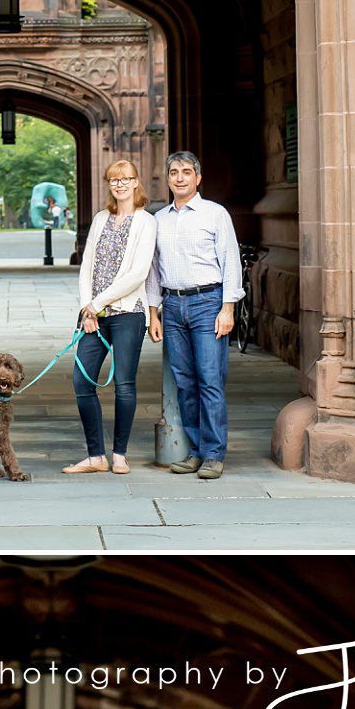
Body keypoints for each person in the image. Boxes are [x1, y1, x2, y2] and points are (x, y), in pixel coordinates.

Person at [145, 151, 243, 481]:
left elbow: (231, 263)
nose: (180, 178)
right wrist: (153, 313)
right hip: (172, 306)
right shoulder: (159, 220)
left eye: (187, 172)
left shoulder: (215, 215)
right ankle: (196, 450)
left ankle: (214, 453)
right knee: (185, 383)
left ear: (198, 178)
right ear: (168, 177)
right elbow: (154, 271)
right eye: (174, 172)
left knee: (210, 380)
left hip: (208, 303)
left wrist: (227, 308)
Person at [62, 162, 157, 476]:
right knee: (82, 380)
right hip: (94, 316)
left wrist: (98, 304)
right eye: (114, 180)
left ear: (136, 182)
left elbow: (137, 274)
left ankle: (119, 454)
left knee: (124, 385)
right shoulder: (102, 218)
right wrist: (87, 308)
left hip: (127, 314)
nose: (120, 185)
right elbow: (87, 265)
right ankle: (95, 456)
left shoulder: (146, 222)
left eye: (126, 179)